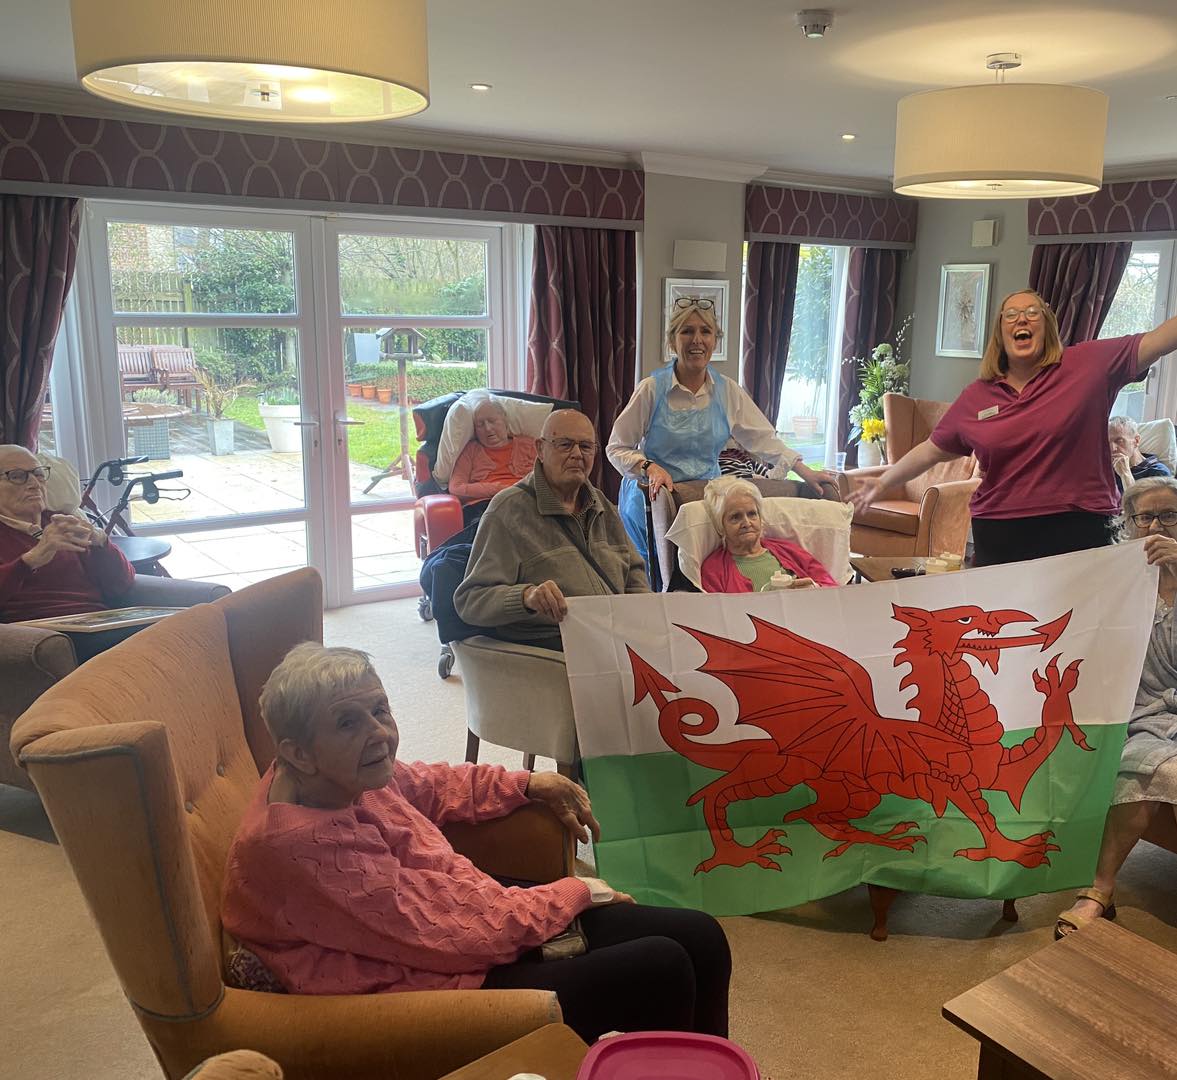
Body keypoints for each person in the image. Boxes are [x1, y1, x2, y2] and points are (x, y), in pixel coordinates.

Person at [221, 642, 731, 1041]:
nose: (378, 733)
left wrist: (526, 784)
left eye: (381, 709)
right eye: (349, 723)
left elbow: (423, 783)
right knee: (662, 967)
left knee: (702, 936)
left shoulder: (319, 773)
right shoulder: (300, 846)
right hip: (426, 986)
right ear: (299, 752)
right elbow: (448, 935)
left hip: (459, 918)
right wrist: (577, 892)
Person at [848, 290, 1177, 566]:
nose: (1022, 319)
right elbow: (931, 450)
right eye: (1011, 315)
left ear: (1047, 326)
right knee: (998, 632)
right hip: (1000, 533)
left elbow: (1159, 340)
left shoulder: (1091, 363)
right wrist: (881, 483)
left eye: (1032, 312)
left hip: (1081, 527)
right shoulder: (978, 396)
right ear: (1000, 333)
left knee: (1076, 635)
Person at [607, 297, 832, 562]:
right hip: (652, 501)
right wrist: (649, 467)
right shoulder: (651, 390)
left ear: (715, 340)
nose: (697, 340)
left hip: (705, 500)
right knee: (655, 579)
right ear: (672, 341)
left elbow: (764, 439)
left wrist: (805, 472)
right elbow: (616, 447)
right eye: (687, 331)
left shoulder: (727, 392)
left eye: (705, 331)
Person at [1054, 477, 1177, 938]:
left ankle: (1097, 891)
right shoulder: (1116, 582)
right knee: (1141, 763)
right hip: (1144, 717)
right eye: (1144, 517)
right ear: (1126, 526)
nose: (1156, 526)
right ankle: (1099, 890)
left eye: (1169, 515)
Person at [454, 409, 648, 651]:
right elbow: (471, 601)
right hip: (555, 650)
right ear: (540, 449)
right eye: (565, 445)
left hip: (616, 641)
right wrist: (526, 597)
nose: (577, 454)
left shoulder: (602, 506)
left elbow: (634, 573)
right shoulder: (508, 511)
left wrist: (645, 618)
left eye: (586, 447)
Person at [0, 444, 135, 626]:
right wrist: (30, 561)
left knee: (178, 630)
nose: (34, 484)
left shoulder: (63, 523)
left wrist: (101, 543)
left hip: (97, 623)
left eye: (38, 474)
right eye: (17, 476)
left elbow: (122, 585)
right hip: (42, 633)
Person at [699, 476, 838, 593]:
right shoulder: (713, 570)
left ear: (760, 518)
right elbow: (716, 616)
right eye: (736, 517)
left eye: (752, 514)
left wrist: (813, 588)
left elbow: (832, 589)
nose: (747, 523)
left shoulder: (789, 551)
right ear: (721, 526)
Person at [447, 398, 538, 526]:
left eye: (492, 421)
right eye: (480, 424)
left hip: (525, 504)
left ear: (504, 420)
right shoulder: (470, 450)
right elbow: (456, 488)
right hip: (483, 508)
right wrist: (500, 489)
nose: (488, 428)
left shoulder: (530, 445)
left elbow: (548, 479)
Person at [1109, 415, 1172, 494]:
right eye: (1107, 442)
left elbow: (1138, 506)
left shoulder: (1158, 472)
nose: (1112, 448)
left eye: (1119, 441)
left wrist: (1125, 474)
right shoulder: (1106, 468)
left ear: (1136, 441)